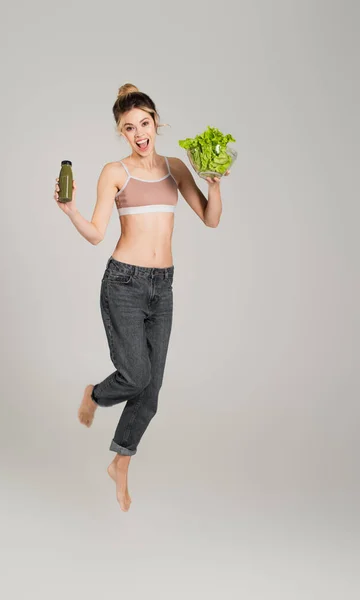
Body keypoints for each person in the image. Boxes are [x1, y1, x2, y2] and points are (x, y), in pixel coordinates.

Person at [54, 83, 230, 511]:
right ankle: (95, 394)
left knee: (150, 394)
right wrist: (72, 211)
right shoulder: (116, 172)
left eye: (144, 124)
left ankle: (121, 463)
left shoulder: (175, 168)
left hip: (162, 286)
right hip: (124, 285)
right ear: (122, 133)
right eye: (128, 128)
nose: (138, 133)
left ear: (156, 122)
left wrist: (216, 184)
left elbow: (210, 219)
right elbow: (97, 234)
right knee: (135, 375)